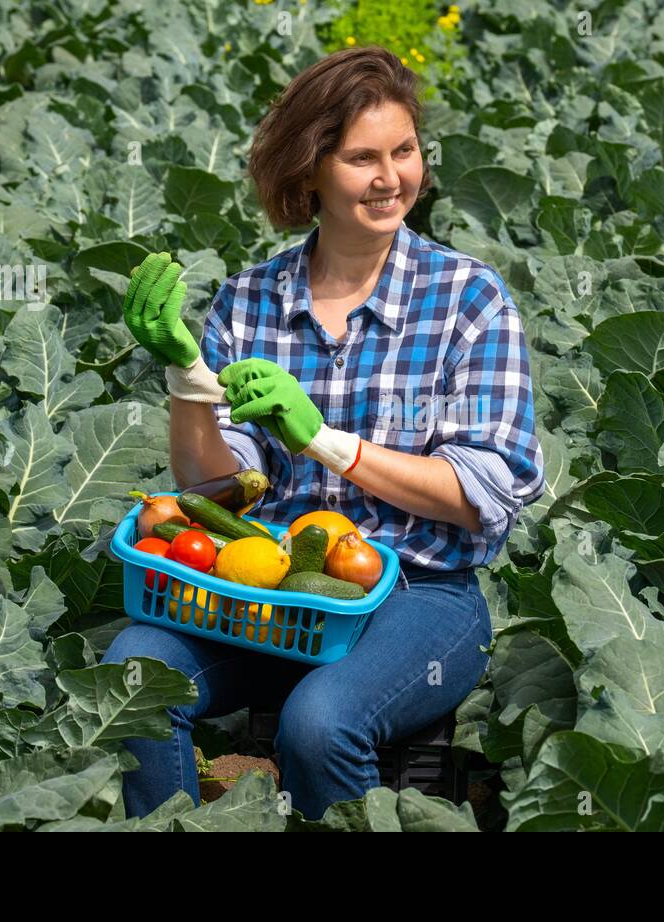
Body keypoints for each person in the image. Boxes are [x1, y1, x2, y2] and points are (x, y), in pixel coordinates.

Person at [104, 46, 545, 821]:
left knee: (320, 723)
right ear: (309, 171)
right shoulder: (251, 301)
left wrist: (324, 441)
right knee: (133, 678)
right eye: (362, 158)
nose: (390, 178)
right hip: (271, 592)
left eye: (404, 152)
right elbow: (213, 490)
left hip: (421, 595)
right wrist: (186, 378)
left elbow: (484, 495)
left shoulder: (468, 299)